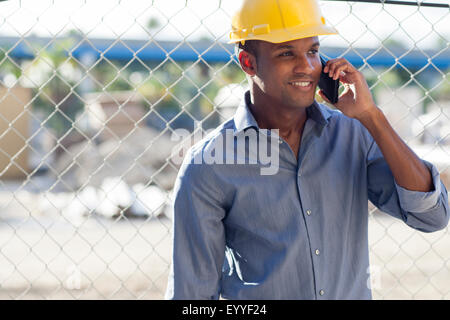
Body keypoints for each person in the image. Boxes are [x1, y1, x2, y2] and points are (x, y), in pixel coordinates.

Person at [165, 0, 449, 300]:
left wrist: (371, 117)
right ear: (248, 62)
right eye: (286, 53)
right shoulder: (208, 165)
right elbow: (191, 297)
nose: (307, 67)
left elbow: (432, 216)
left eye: (312, 51)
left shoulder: (352, 136)